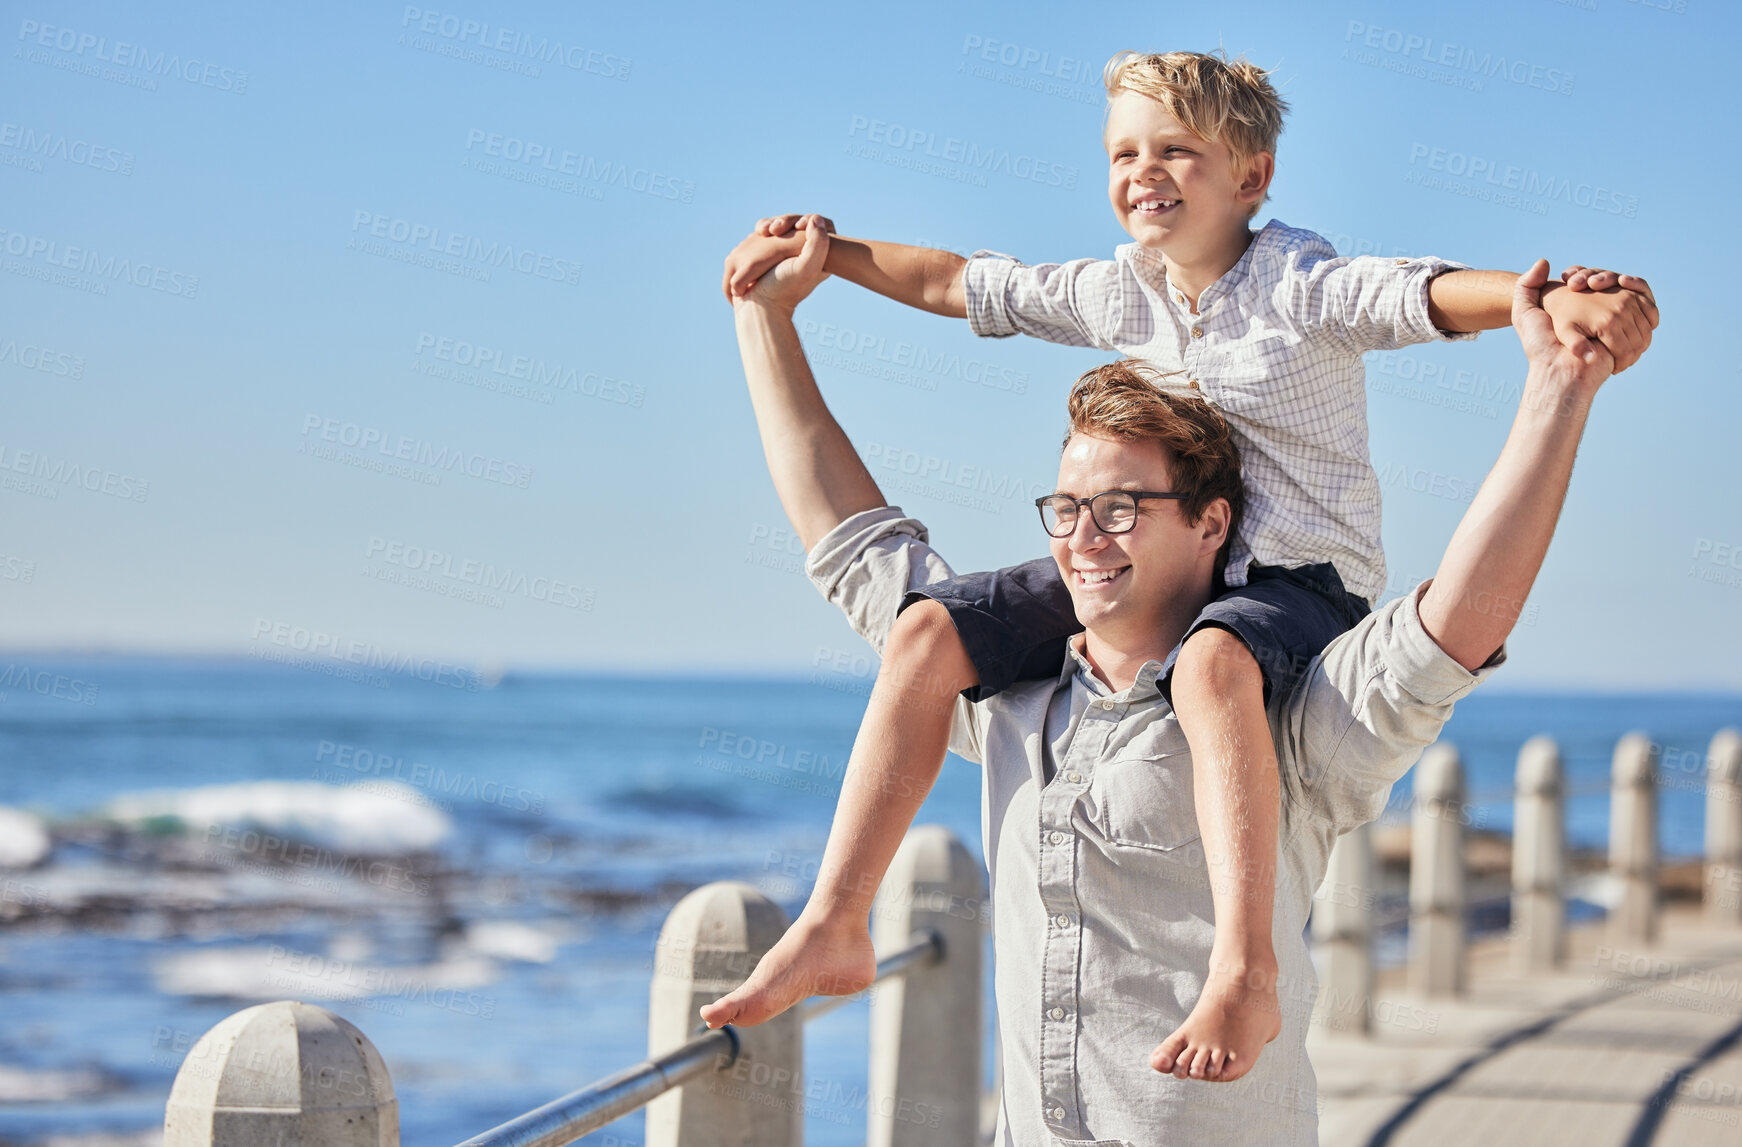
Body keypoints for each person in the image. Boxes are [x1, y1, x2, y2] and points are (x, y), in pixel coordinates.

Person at [716, 48, 1657, 1077]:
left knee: (1212, 666)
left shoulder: (1301, 284)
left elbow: (1426, 296)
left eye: (1176, 151)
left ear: (1251, 177)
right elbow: (955, 281)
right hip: (1161, 563)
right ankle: (836, 918)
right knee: (925, 627)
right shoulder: (1115, 293)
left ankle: (1245, 966)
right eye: (1123, 152)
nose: (1141, 172)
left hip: (1294, 587)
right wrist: (824, 252)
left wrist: (1550, 302)